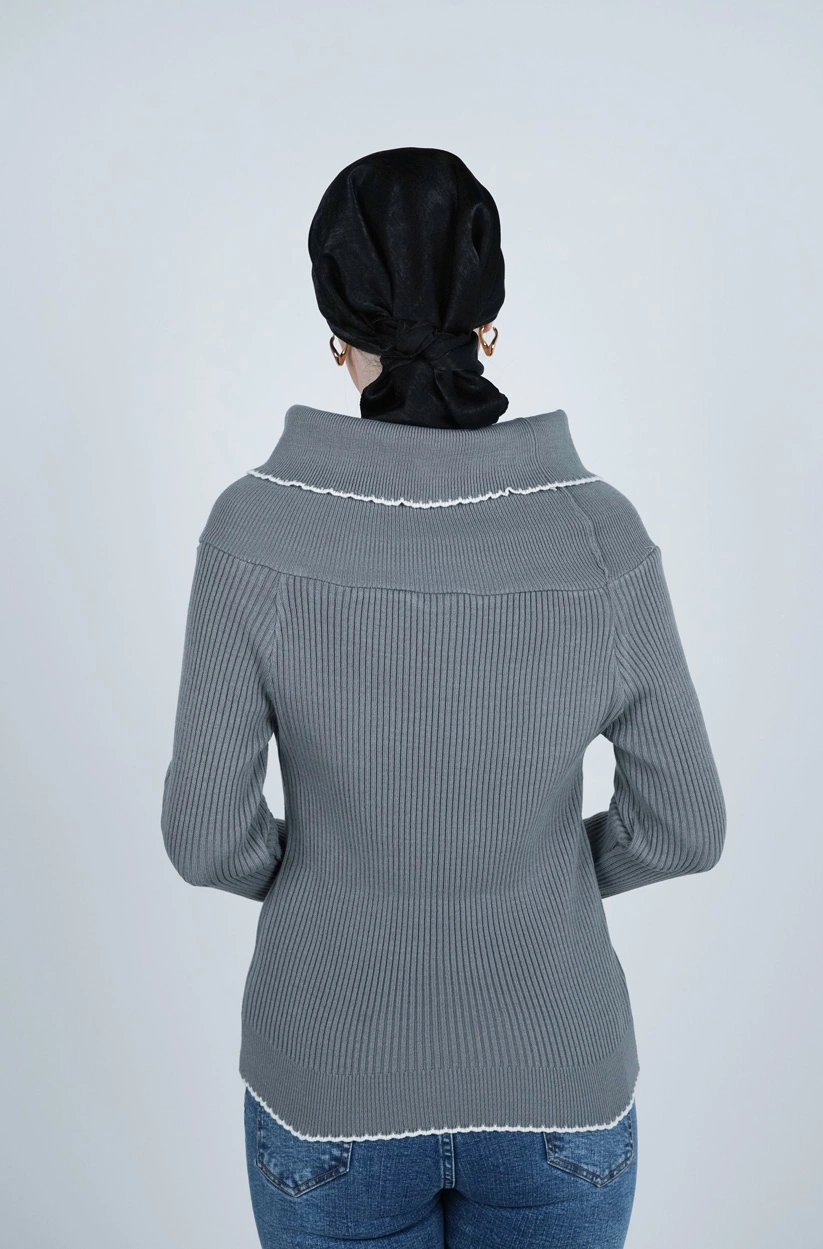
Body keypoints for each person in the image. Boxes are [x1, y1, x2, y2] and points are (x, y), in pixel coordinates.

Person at [161, 147, 727, 1248]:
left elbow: (205, 839)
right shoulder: (597, 532)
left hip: (327, 1079)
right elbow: (685, 827)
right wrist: (537, 871)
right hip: (557, 1076)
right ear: (486, 322)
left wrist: (332, 876)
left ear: (337, 330)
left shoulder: (253, 530)